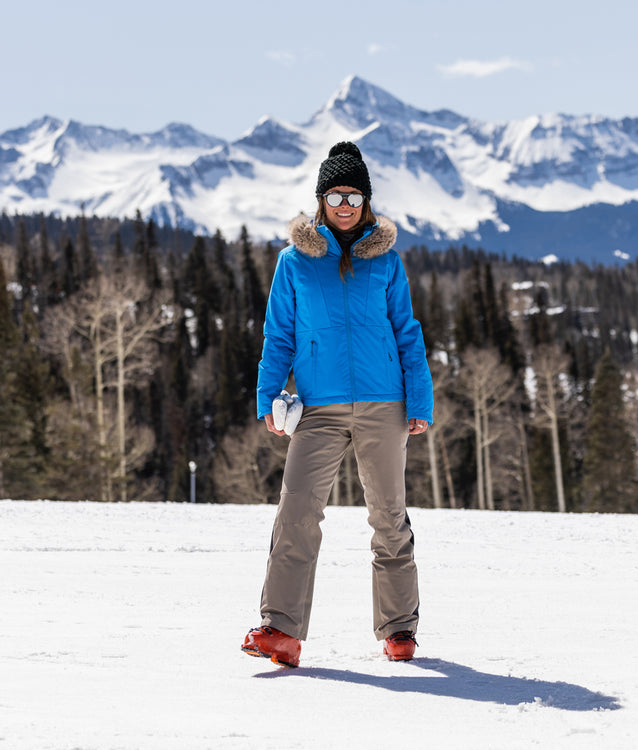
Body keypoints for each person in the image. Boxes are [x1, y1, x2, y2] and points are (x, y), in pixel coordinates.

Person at [241, 142, 434, 668]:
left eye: (353, 196)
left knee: (388, 516)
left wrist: (419, 399)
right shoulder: (294, 261)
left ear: (365, 201)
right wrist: (267, 395)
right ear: (321, 200)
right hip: (318, 408)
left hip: (384, 404)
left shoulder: (386, 261)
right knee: (297, 512)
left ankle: (399, 629)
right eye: (334, 195)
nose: (344, 205)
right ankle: (281, 630)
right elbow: (279, 334)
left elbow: (407, 332)